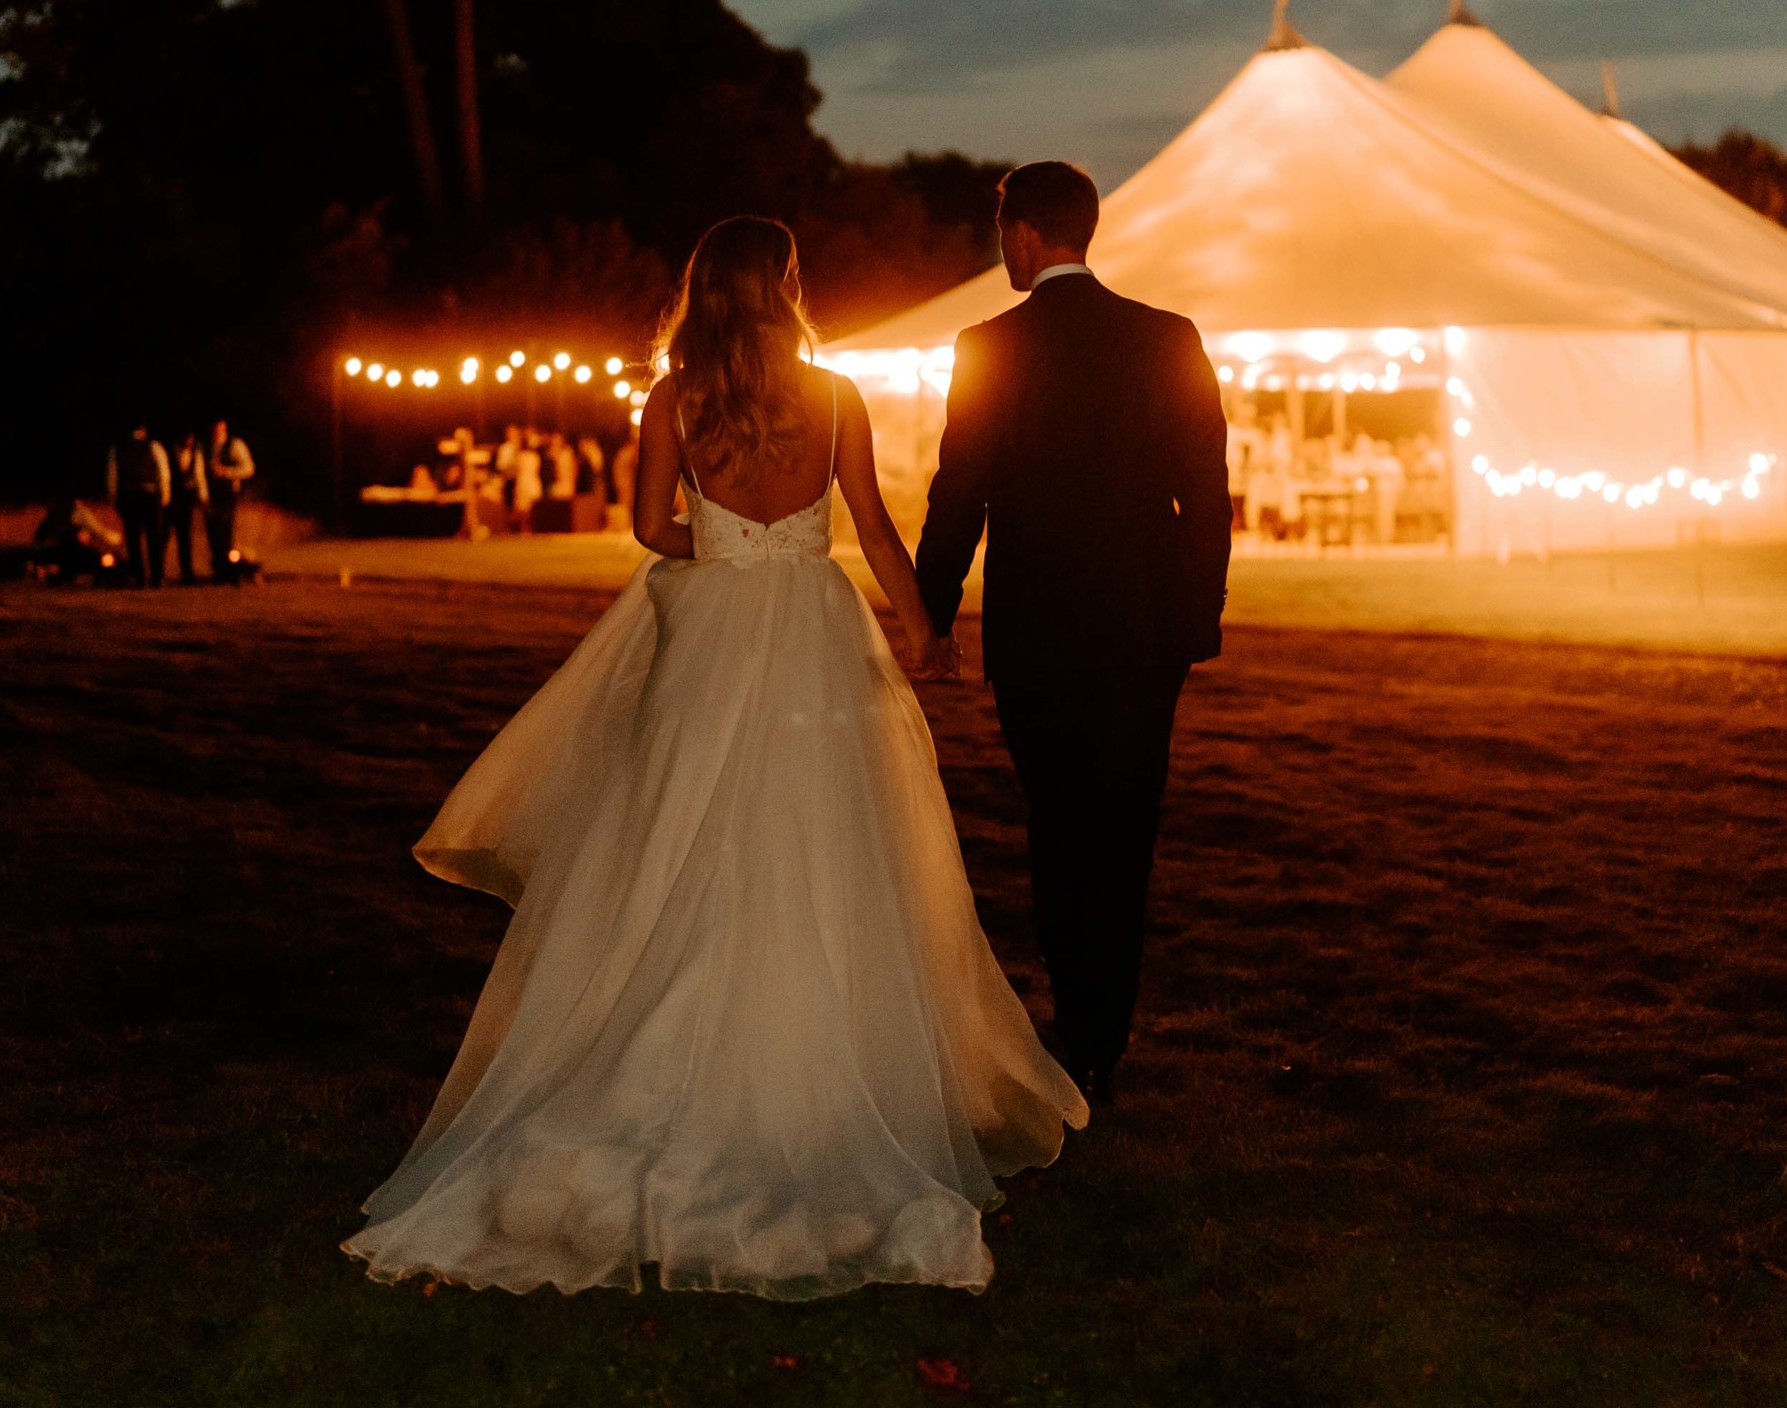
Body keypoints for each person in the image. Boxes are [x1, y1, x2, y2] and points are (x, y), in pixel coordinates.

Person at [344, 216, 1081, 1300]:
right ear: (786, 287)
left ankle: (664, 1066)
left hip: (713, 639)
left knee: (680, 840)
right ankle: (820, 1081)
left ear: (702, 292)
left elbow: (649, 526)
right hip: (821, 632)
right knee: (825, 846)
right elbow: (874, 525)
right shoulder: (835, 396)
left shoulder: (675, 399)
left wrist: (726, 549)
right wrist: (920, 635)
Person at [915, 160, 1231, 1108]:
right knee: (1125, 828)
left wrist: (929, 617)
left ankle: (1076, 1023)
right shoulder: (1168, 337)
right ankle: (1104, 1031)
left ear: (1021, 235)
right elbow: (1207, 496)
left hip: (1038, 632)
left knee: (1057, 825)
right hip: (1145, 633)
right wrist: (1194, 618)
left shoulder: (988, 344)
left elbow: (958, 493)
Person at [105, 425, 170, 587]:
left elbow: (112, 474)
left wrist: (113, 497)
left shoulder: (118, 448)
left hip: (129, 495)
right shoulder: (153, 445)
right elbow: (163, 471)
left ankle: (138, 576)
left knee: (133, 538)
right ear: (143, 430)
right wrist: (165, 493)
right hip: (150, 494)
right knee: (154, 536)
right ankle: (157, 576)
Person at [204, 420, 254, 580]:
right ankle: (218, 569)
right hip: (211, 494)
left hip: (228, 494)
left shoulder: (235, 444)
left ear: (224, 426)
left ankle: (229, 571)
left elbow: (249, 468)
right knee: (213, 532)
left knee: (226, 532)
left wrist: (226, 472)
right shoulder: (206, 446)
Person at [167, 432, 208, 584]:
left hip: (187, 500)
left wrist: (203, 496)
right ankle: (158, 573)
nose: (189, 442)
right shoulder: (170, 451)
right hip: (170, 499)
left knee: (185, 538)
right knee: (163, 535)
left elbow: (199, 475)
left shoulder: (195, 454)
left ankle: (187, 574)